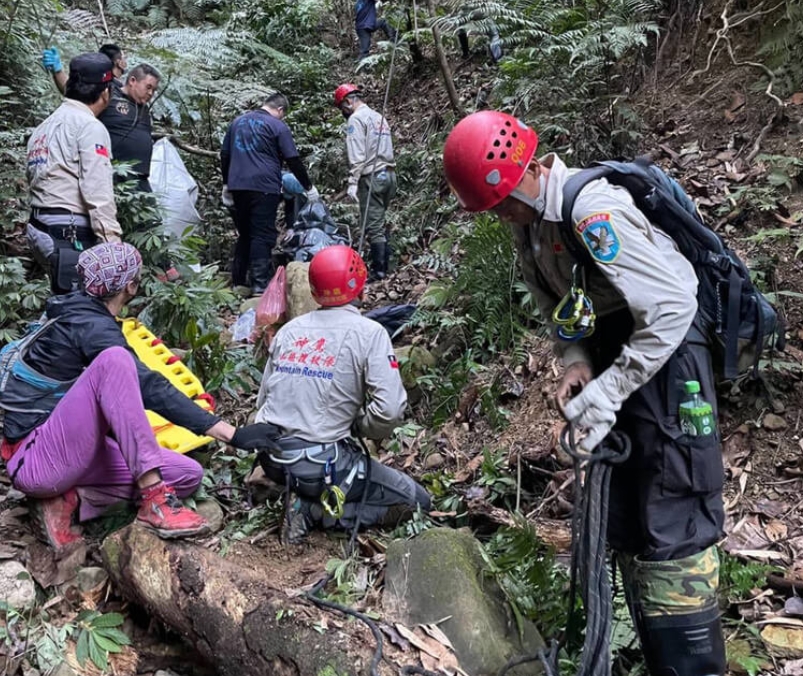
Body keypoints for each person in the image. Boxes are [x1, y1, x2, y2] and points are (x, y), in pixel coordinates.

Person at [442, 111, 725, 676]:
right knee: (625, 515)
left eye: (499, 205)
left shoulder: (596, 211)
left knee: (671, 519)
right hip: (617, 360)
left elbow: (671, 307)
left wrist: (608, 390)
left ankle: (693, 666)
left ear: (523, 174)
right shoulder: (528, 228)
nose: (499, 217)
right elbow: (561, 309)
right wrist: (576, 363)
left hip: (668, 364)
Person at [0, 242, 279, 552]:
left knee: (188, 474)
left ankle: (70, 501)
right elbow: (149, 386)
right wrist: (230, 433)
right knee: (115, 361)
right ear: (130, 286)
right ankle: (155, 501)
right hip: (36, 458)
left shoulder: (78, 311)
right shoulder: (89, 326)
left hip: (64, 451)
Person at [253, 245, 431, 543]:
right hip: (321, 465)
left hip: (271, 458)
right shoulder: (370, 333)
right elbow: (389, 410)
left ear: (314, 289)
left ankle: (299, 493)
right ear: (359, 284)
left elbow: (263, 401)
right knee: (417, 501)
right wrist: (360, 426)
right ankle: (312, 511)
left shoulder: (289, 330)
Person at [26, 53, 123, 295]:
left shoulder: (44, 126)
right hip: (67, 233)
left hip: (39, 226)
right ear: (105, 93)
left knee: (64, 301)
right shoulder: (90, 127)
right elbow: (97, 191)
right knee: (80, 309)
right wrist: (113, 247)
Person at [220, 92, 321, 294]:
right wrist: (308, 186)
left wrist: (226, 183)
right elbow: (292, 159)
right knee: (262, 234)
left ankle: (239, 281)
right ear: (280, 110)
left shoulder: (237, 122)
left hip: (238, 185)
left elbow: (225, 154)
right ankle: (260, 285)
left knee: (245, 233)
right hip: (264, 186)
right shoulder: (277, 126)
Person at [333, 84, 396, 281]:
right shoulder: (379, 117)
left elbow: (357, 154)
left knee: (373, 226)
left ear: (348, 102)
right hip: (390, 175)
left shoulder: (356, 119)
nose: (343, 112)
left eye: (342, 108)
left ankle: (379, 271)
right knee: (379, 219)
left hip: (372, 177)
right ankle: (385, 262)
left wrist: (353, 181)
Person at [98, 63, 161, 193]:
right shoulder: (110, 96)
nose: (150, 93)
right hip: (116, 173)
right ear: (132, 81)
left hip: (140, 177)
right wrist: (58, 71)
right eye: (148, 87)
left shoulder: (144, 109)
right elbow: (78, 98)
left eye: (153, 90)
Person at [42, 43, 128, 95]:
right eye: (123, 58)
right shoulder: (94, 82)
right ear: (118, 62)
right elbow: (70, 90)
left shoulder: (117, 85)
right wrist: (58, 71)